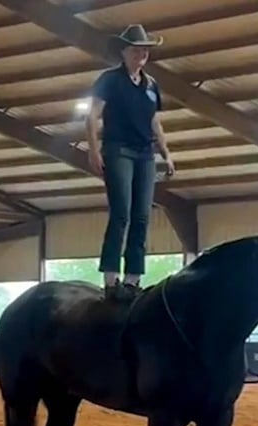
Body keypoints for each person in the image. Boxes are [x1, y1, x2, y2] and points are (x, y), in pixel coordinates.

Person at [85, 24, 175, 302]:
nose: (141, 54)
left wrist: (166, 153)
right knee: (121, 212)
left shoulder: (150, 86)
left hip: (145, 153)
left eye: (145, 50)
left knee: (142, 217)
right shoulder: (110, 80)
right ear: (124, 52)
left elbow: (154, 122)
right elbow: (92, 116)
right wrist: (93, 150)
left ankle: (133, 278)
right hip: (117, 149)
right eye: (136, 50)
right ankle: (111, 276)